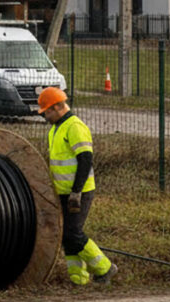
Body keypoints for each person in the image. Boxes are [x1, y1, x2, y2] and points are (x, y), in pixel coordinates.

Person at [37, 87, 117, 286]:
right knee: (67, 236)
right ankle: (78, 280)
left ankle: (105, 269)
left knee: (72, 233)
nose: (45, 116)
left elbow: (85, 159)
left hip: (79, 192)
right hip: (63, 192)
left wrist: (76, 192)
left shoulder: (74, 126)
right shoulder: (56, 129)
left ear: (57, 107)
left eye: (46, 112)